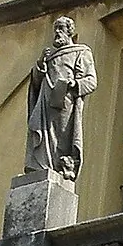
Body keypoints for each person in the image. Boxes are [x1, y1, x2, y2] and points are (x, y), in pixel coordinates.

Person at [26, 18, 98, 180]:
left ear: (69, 31)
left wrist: (74, 84)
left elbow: (91, 81)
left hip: (66, 103)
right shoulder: (50, 57)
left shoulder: (81, 52)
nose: (57, 32)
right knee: (44, 137)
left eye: (61, 28)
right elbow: (36, 84)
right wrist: (40, 64)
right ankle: (42, 166)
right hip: (45, 104)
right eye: (55, 29)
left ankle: (63, 166)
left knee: (62, 139)